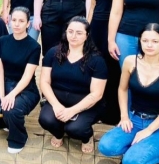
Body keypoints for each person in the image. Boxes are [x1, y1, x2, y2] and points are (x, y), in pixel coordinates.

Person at [98, 24, 159, 164]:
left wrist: (148, 131)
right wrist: (124, 116)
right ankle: (138, 148)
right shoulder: (131, 61)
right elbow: (122, 89)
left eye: (155, 41)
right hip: (134, 120)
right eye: (145, 40)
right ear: (140, 42)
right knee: (106, 147)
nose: (149, 45)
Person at [0, 7, 41, 153]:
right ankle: (9, 120)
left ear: (27, 24)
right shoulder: (3, 41)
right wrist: (2, 94)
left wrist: (12, 95)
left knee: (11, 110)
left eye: (21, 21)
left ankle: (19, 137)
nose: (16, 24)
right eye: (14, 20)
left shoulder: (34, 46)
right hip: (5, 85)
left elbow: (27, 76)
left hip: (25, 89)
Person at [38, 17, 107, 153]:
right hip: (58, 99)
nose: (73, 36)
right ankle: (58, 133)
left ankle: (87, 137)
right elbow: (44, 82)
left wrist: (72, 111)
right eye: (70, 31)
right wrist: (56, 105)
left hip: (86, 104)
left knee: (75, 129)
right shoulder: (53, 53)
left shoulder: (97, 60)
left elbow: (97, 94)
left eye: (79, 33)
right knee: (45, 120)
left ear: (87, 35)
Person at [88, 0, 121, 125]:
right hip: (96, 27)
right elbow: (93, 5)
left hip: (114, 26)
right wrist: (88, 27)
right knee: (97, 67)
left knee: (113, 68)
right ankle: (97, 108)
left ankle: (112, 113)